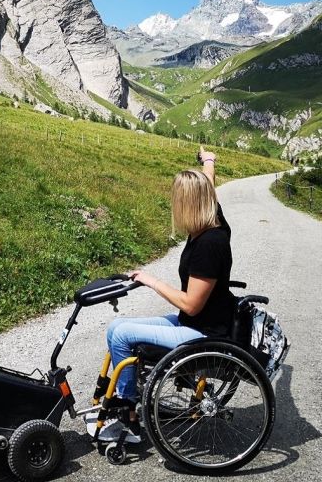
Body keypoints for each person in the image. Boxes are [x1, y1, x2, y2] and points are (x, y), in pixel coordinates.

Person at [97, 146, 236, 442]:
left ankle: (128, 411)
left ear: (189, 204)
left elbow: (192, 304)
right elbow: (209, 185)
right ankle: (128, 398)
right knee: (115, 328)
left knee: (122, 337)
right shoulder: (213, 223)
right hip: (192, 324)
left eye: (177, 200)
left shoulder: (209, 245)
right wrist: (208, 160)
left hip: (203, 333)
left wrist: (151, 280)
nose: (173, 205)